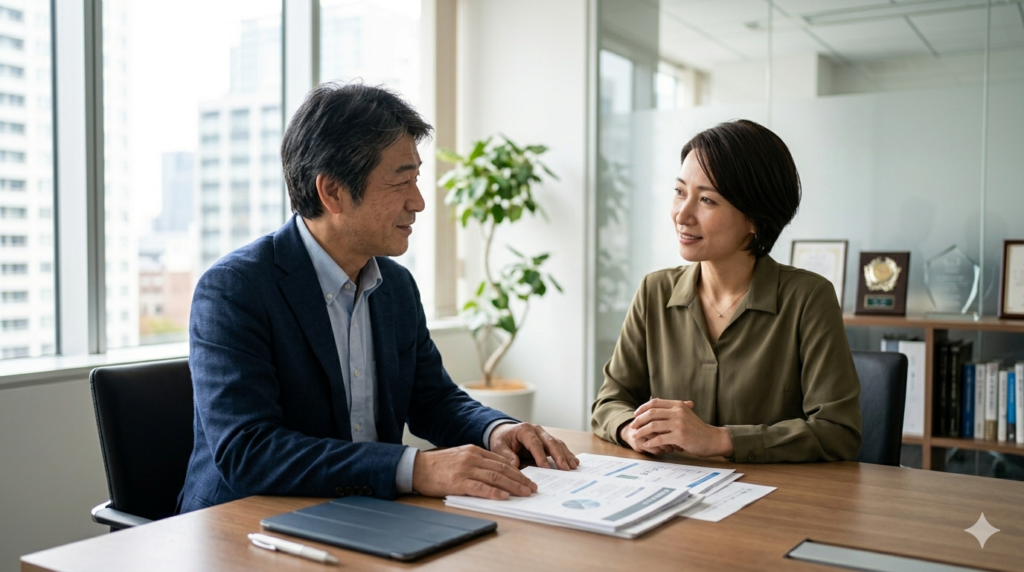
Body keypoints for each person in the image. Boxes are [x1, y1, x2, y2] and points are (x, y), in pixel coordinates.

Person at [178, 83, 578, 514]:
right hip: (247, 525)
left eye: (416, 178)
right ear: (332, 192)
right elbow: (249, 452)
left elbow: (433, 399)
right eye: (401, 181)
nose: (419, 202)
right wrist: (416, 469)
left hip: (366, 514)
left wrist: (495, 430)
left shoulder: (396, 287)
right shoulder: (234, 289)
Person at [591, 119, 861, 463]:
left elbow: (838, 432)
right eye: (679, 192)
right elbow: (609, 403)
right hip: (670, 493)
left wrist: (720, 440)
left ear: (755, 220)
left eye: (706, 200)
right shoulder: (654, 291)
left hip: (773, 504)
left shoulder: (808, 298)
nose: (682, 215)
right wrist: (632, 429)